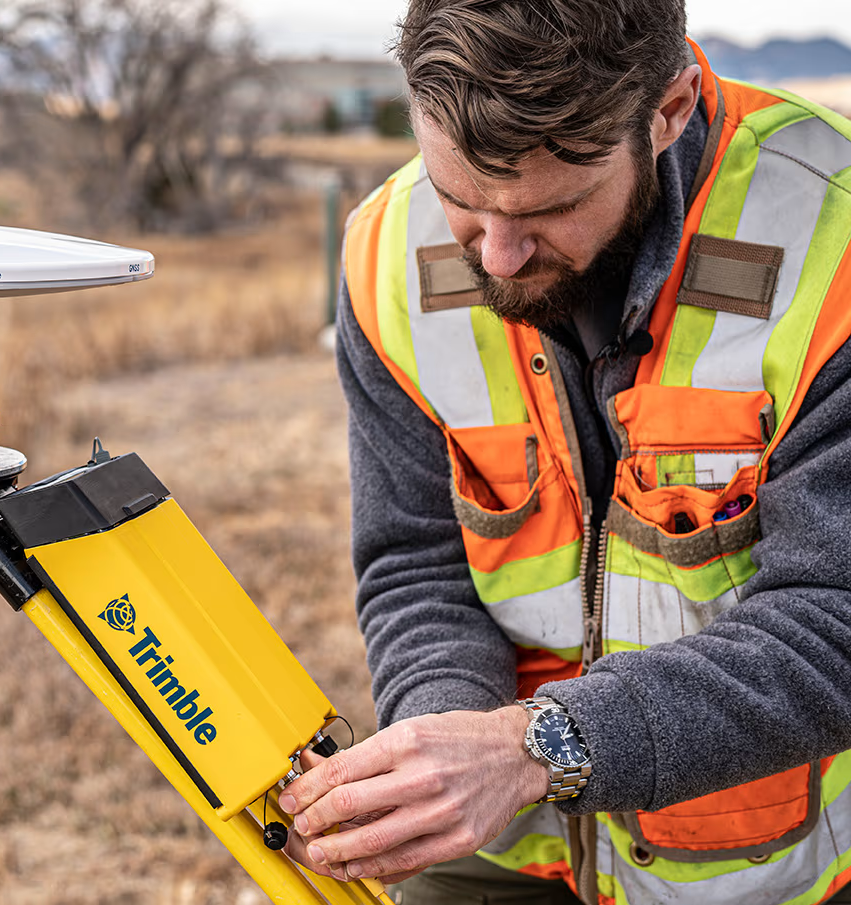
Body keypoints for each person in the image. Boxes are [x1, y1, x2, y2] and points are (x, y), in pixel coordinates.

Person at [279, 2, 851, 903]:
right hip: (507, 852)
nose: (497, 257)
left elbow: (834, 618)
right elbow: (416, 557)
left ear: (667, 112)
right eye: (459, 198)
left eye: (550, 207)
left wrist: (540, 748)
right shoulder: (383, 252)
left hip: (755, 859)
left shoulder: (837, 241)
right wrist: (444, 749)